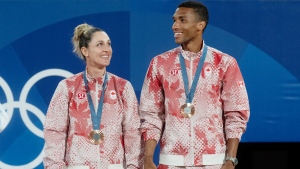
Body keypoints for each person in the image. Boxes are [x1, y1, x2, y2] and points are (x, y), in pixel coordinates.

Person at [140, 1, 250, 169]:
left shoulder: (224, 63)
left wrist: (231, 159)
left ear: (200, 25)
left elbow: (236, 113)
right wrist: (148, 159)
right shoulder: (160, 63)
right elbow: (150, 114)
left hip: (214, 161)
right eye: (174, 20)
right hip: (171, 161)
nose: (174, 26)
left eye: (182, 20)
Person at [43, 23, 143, 169]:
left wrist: (134, 166)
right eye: (100, 44)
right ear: (85, 51)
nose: (107, 49)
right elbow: (54, 132)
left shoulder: (123, 87)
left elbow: (133, 132)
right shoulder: (67, 87)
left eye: (109, 44)